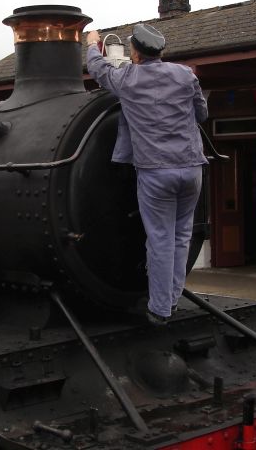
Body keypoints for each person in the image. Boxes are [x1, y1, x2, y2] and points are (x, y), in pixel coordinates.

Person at [86, 23, 208, 326]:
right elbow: (202, 113)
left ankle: (159, 309)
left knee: (160, 239)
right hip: (192, 167)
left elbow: (98, 70)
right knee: (182, 236)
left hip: (156, 171)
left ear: (134, 53)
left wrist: (91, 43)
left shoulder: (127, 77)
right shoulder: (185, 74)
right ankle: (173, 299)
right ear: (162, 52)